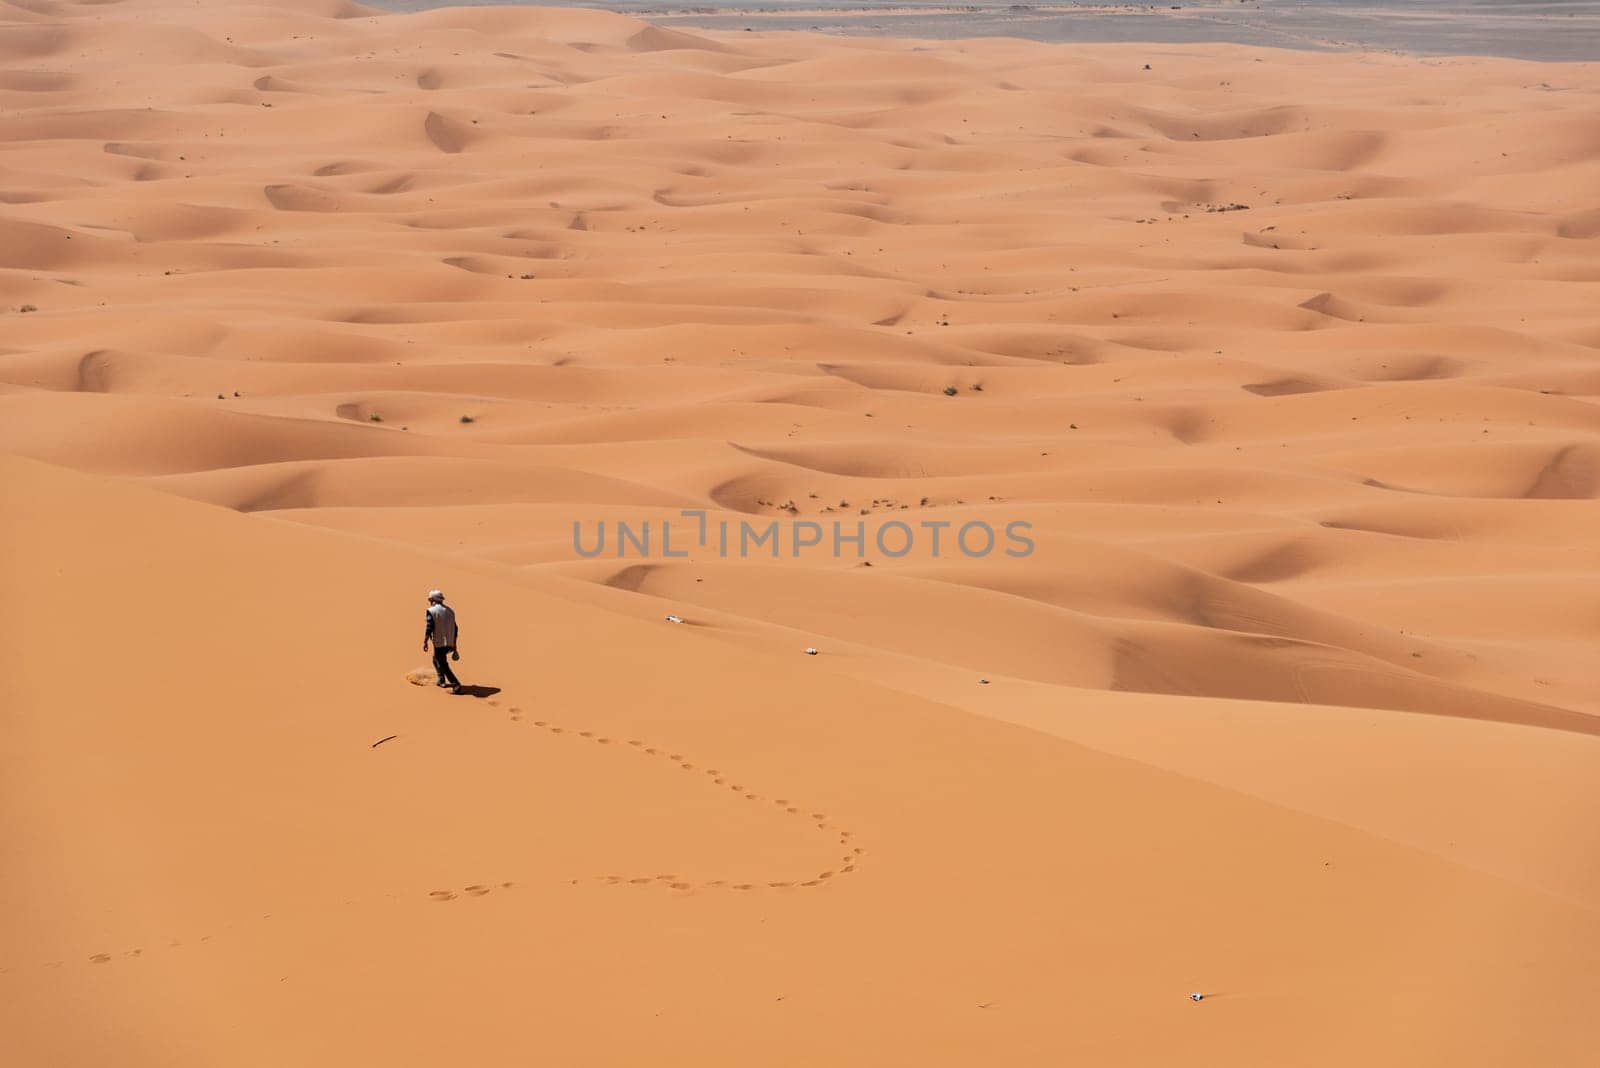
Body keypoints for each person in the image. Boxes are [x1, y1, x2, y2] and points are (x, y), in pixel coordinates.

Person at [423, 589, 462, 694]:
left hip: (440, 642)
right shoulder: (450, 611)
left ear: (433, 600)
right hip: (449, 642)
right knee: (436, 660)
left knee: (442, 664)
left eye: (430, 599)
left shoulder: (431, 611)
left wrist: (425, 641)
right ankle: (441, 680)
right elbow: (456, 628)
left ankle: (456, 684)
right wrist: (454, 643)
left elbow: (429, 627)